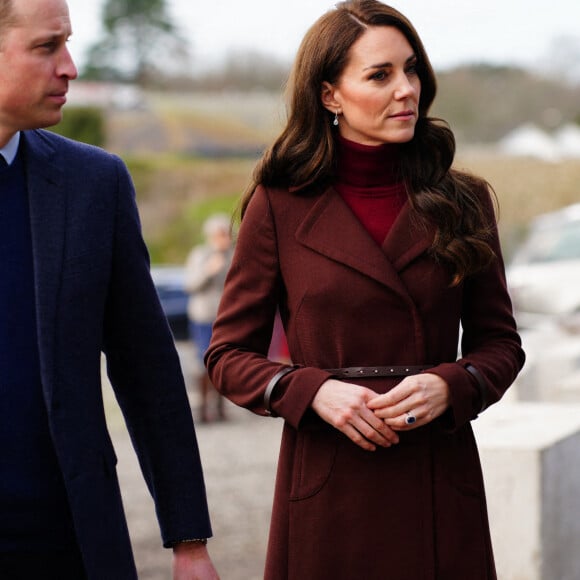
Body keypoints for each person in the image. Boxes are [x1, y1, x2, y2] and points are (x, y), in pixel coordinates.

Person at [205, 1, 525, 579]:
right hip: (329, 483)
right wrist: (309, 390)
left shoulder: (464, 200)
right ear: (330, 95)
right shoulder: (278, 204)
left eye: (412, 70)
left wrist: (452, 384)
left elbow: (501, 345)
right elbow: (227, 356)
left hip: (436, 476)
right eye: (380, 75)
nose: (406, 90)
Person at [0, 0, 219, 578]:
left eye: (67, 43)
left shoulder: (93, 183)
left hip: (66, 540)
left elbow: (147, 367)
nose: (70, 66)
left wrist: (189, 540)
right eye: (48, 46)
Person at [184, 214, 233, 422]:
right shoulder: (200, 255)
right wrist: (208, 270)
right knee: (203, 361)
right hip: (203, 316)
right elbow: (190, 284)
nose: (224, 238)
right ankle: (203, 409)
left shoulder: (234, 255)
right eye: (220, 234)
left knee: (225, 361)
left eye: (226, 234)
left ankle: (221, 408)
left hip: (225, 317)